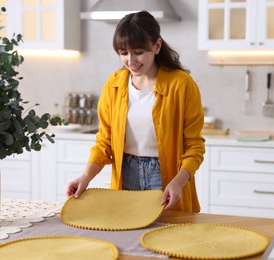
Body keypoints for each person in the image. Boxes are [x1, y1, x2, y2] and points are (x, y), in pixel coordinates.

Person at [66, 10, 205, 213]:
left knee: (166, 237)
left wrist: (178, 182)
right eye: (123, 53)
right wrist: (85, 177)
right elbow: (104, 142)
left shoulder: (181, 85)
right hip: (125, 174)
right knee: (126, 236)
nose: (131, 61)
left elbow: (194, 146)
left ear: (156, 46)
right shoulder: (114, 85)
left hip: (166, 177)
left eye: (138, 52)